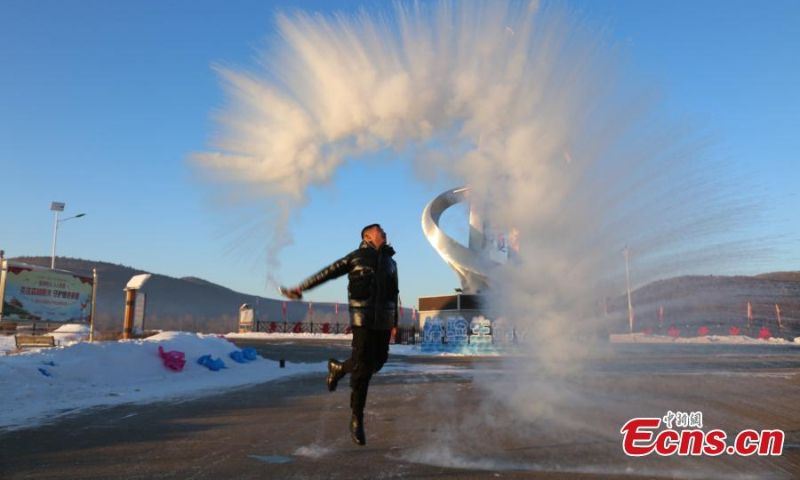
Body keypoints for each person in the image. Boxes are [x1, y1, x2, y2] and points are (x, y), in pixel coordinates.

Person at [282, 223, 399, 446]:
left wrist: (393, 322)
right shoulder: (356, 257)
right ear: (368, 236)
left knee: (378, 362)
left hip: (383, 320)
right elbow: (329, 272)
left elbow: (395, 292)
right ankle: (357, 418)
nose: (384, 232)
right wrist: (302, 287)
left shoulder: (391, 262)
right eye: (380, 231)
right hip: (362, 319)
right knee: (363, 368)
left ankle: (338, 368)